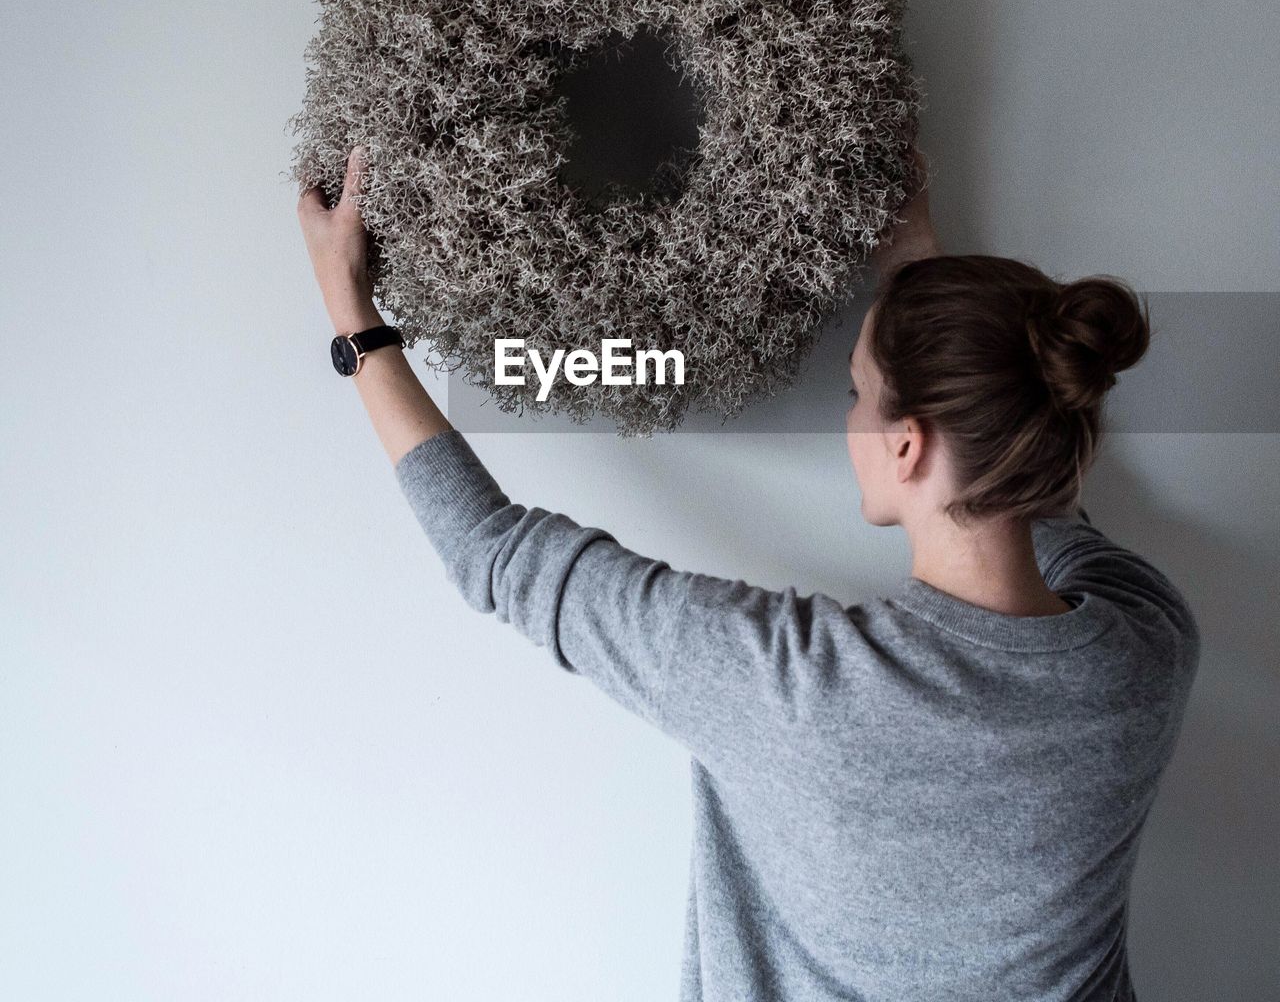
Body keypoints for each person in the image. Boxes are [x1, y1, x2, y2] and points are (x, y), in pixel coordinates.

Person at [297, 144, 1200, 1002]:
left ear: (908, 445)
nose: (846, 420)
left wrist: (353, 319)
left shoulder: (790, 683)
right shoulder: (1148, 647)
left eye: (854, 393)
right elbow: (1036, 505)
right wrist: (917, 281)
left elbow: (492, 549)